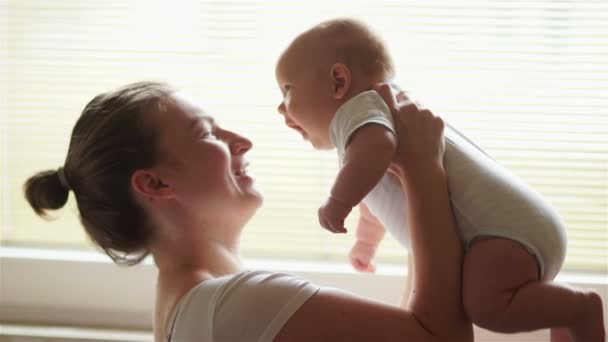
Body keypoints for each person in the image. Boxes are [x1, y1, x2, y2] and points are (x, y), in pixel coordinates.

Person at [24, 81, 473, 341]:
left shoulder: (196, 307)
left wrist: (407, 194)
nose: (242, 141)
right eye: (207, 134)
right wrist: (423, 170)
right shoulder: (232, 304)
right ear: (155, 184)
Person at [275, 18, 605, 341]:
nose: (280, 108)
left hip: (503, 234)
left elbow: (377, 148)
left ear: (338, 81)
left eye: (287, 89)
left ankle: (580, 308)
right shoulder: (374, 125)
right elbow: (378, 193)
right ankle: (568, 320)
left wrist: (337, 201)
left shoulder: (361, 109)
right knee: (489, 302)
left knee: (487, 305)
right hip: (514, 228)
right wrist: (367, 241)